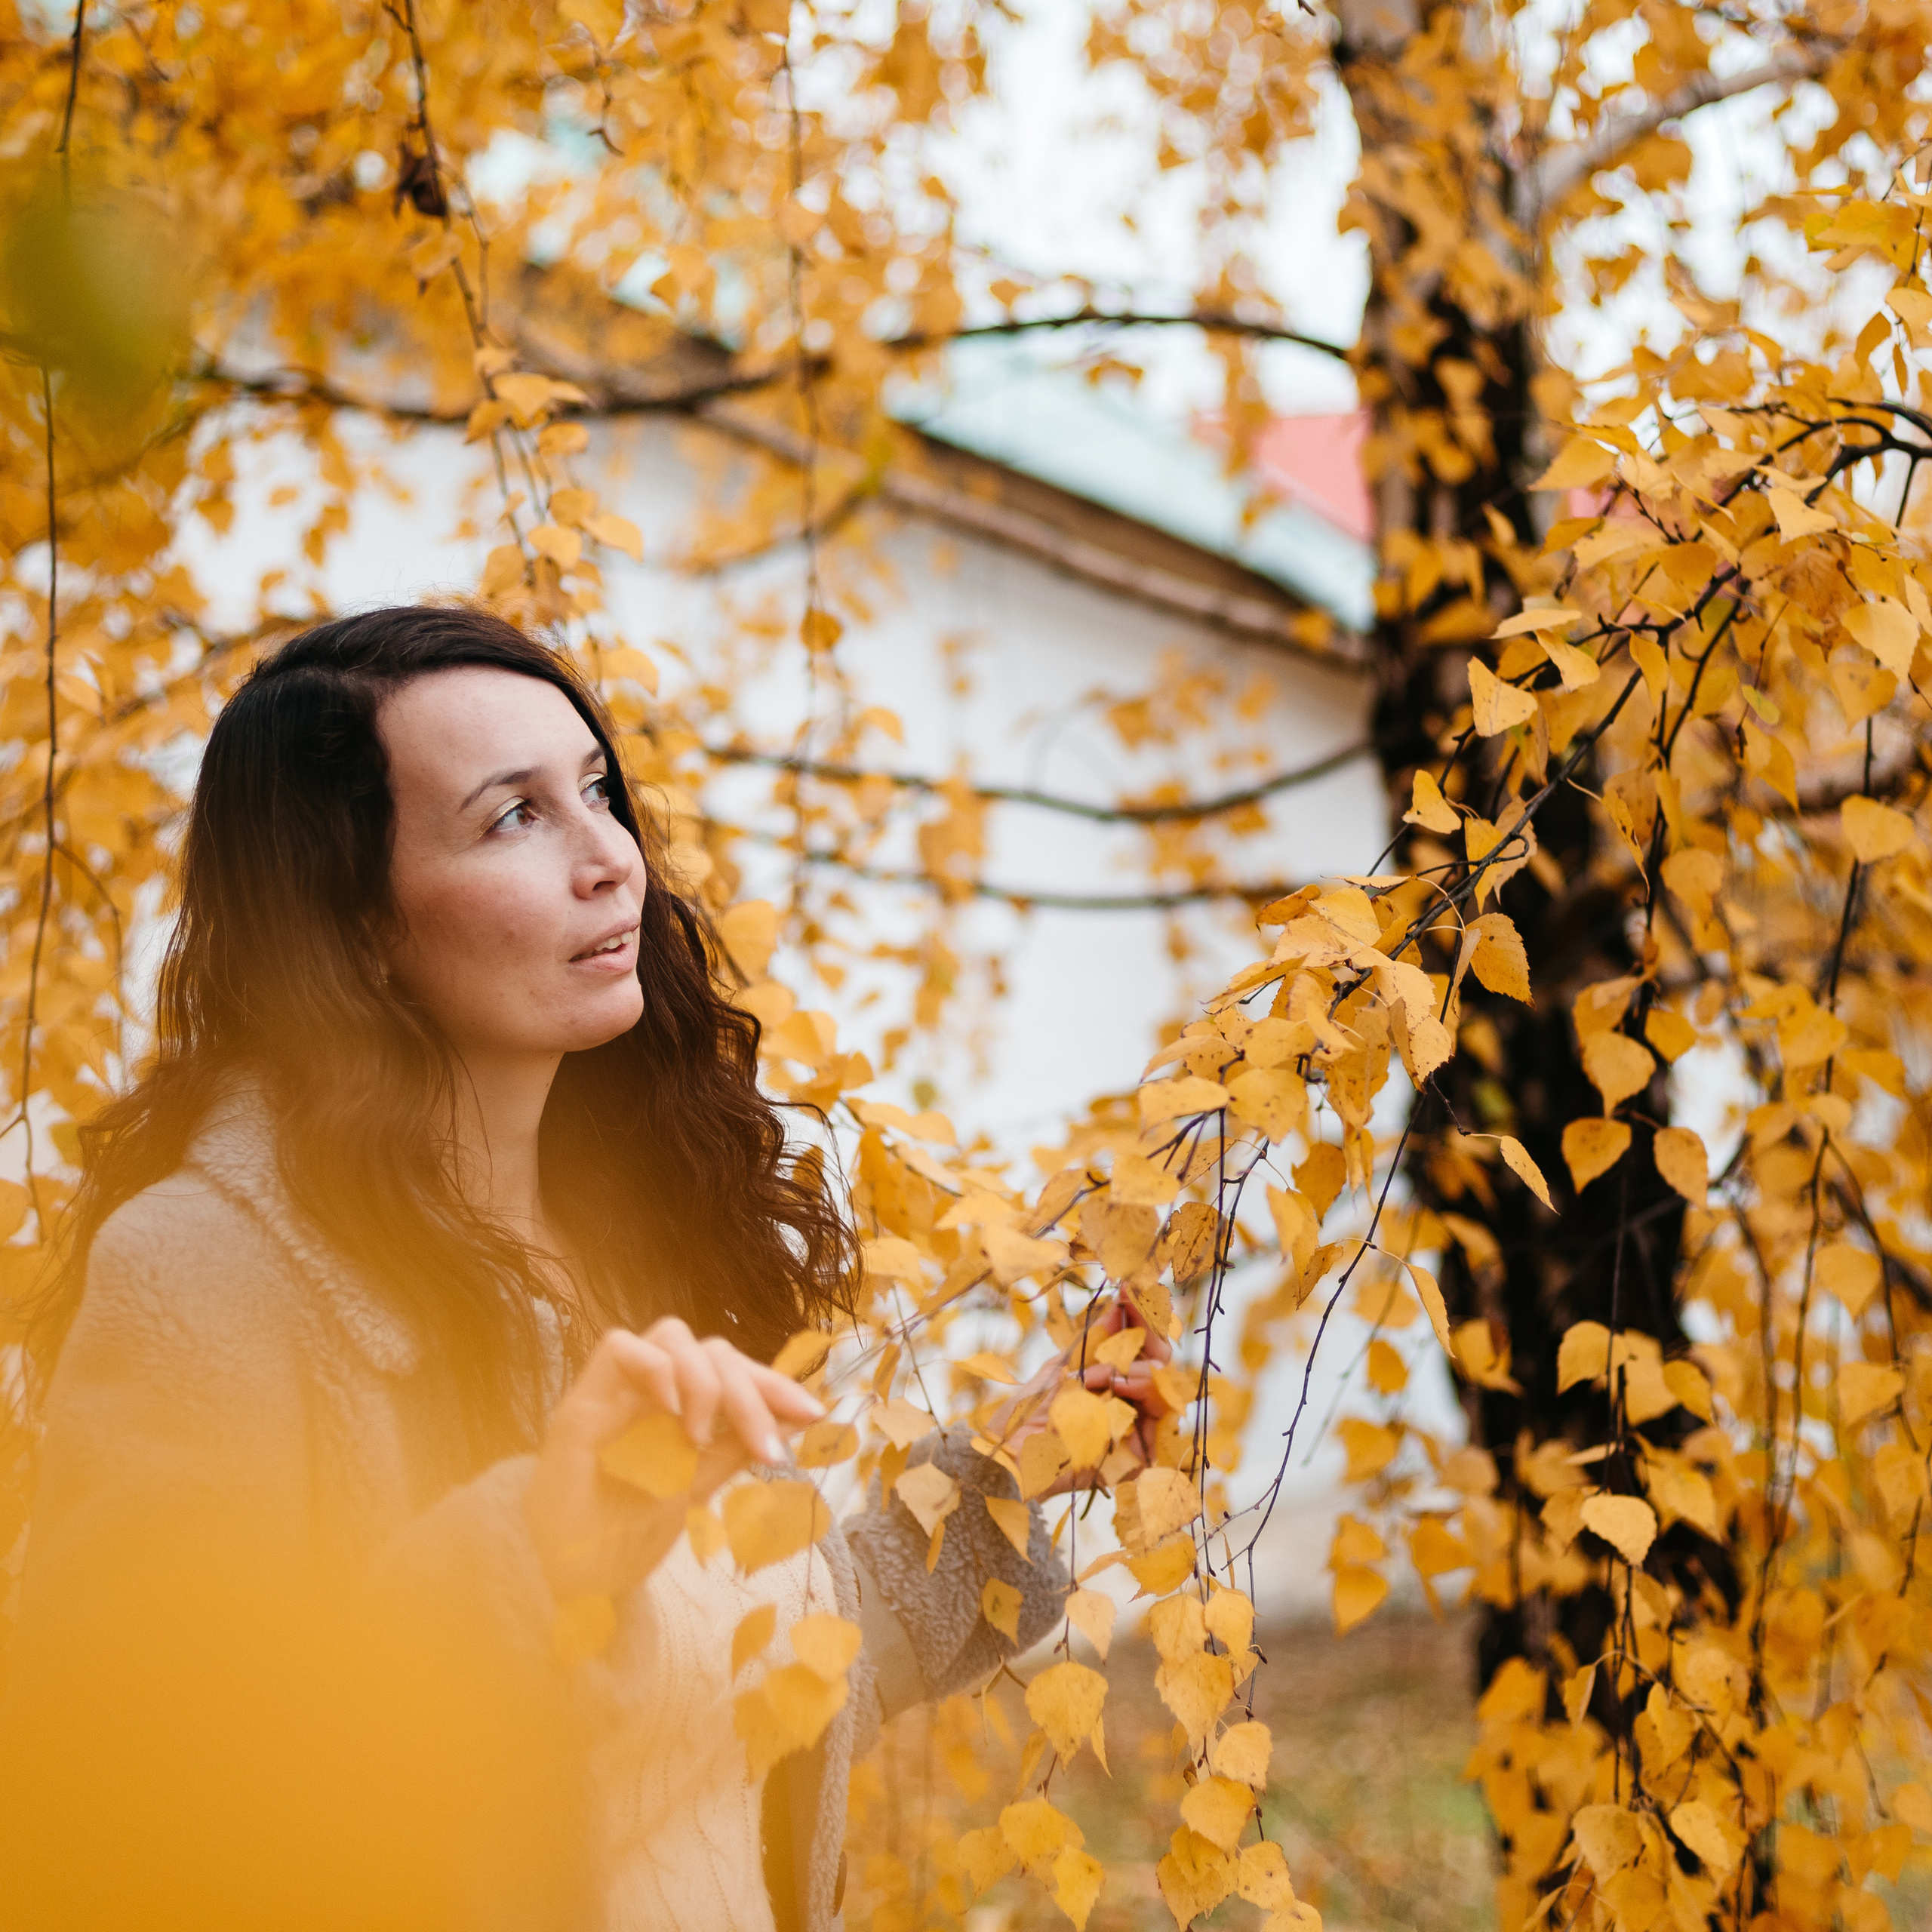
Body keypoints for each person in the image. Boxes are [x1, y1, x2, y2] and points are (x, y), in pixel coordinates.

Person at [0, 605, 1172, 1932]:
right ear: (357, 924)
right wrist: (531, 1564)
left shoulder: (627, 1238)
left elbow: (730, 1715)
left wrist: (995, 1481)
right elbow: (136, 1813)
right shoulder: (207, 1276)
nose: (612, 858)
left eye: (597, 792)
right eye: (515, 817)